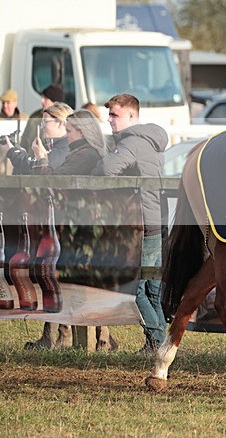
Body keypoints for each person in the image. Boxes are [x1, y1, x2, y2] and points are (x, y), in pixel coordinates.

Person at [24, 109, 118, 351]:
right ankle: (94, 340)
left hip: (80, 224)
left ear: (82, 131)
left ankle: (93, 341)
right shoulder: (83, 152)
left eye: (70, 130)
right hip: (81, 222)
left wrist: (42, 159)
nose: (67, 135)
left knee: (80, 280)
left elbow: (54, 183)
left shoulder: (84, 155)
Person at [92, 93, 168, 353]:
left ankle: (158, 341)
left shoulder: (132, 143)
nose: (110, 120)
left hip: (142, 223)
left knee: (135, 289)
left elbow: (105, 170)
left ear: (132, 116)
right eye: (109, 115)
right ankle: (161, 343)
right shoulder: (150, 141)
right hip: (154, 222)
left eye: (115, 115)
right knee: (152, 287)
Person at [3, 102, 72, 175]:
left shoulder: (64, 148)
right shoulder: (56, 145)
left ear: (60, 123)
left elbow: (34, 169)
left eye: (45, 122)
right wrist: (22, 153)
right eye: (42, 123)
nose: (42, 127)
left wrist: (12, 152)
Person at [19, 84, 65, 152]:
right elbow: (24, 142)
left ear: (55, 102)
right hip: (32, 159)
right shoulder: (35, 117)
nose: (42, 101)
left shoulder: (64, 119)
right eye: (42, 97)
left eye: (46, 99)